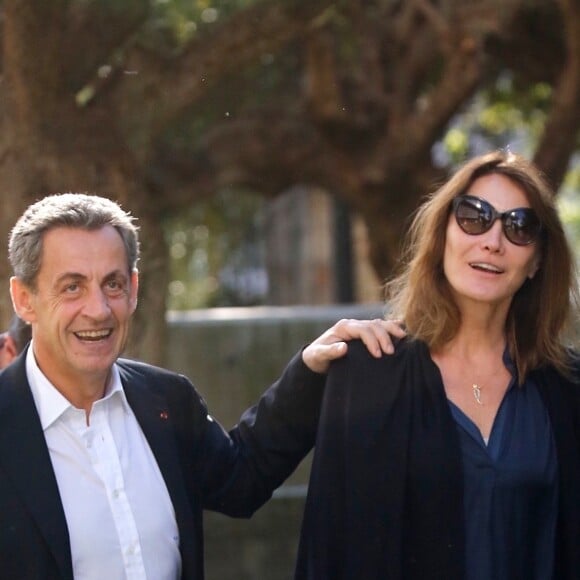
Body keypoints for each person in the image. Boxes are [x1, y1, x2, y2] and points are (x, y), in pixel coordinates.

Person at [0, 192, 402, 580]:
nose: (98, 309)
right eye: (72, 287)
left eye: (113, 284)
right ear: (24, 299)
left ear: (134, 289)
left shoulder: (165, 400)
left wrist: (312, 372)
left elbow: (243, 480)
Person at [296, 150, 580, 579]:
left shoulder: (568, 388)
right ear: (443, 233)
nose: (492, 241)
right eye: (473, 216)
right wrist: (305, 371)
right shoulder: (371, 372)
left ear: (538, 260)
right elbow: (322, 545)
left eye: (519, 227)